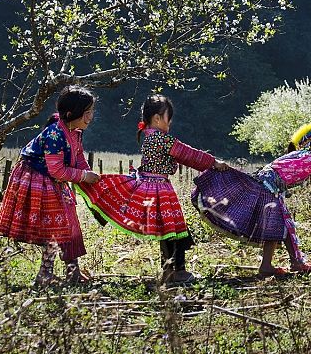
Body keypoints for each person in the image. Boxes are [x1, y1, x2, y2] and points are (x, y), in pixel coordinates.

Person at [78, 94, 227, 284]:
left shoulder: (150, 136)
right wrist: (213, 162)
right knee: (171, 231)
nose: (170, 122)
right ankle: (175, 272)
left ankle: (171, 271)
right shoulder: (161, 139)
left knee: (169, 231)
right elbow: (188, 154)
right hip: (160, 190)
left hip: (154, 186)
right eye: (168, 117)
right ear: (157, 118)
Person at [192, 118, 311, 278]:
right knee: (277, 226)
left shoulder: (305, 159)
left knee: (284, 225)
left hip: (267, 188)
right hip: (268, 189)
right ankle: (273, 265)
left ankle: (293, 263)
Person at [0, 85, 100, 286]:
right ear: (70, 114)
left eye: (91, 111)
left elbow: (78, 157)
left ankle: (72, 272)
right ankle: (45, 275)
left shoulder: (75, 132)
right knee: (54, 228)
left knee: (69, 223)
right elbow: (57, 170)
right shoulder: (55, 134)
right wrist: (84, 176)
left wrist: (90, 176)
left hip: (54, 181)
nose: (90, 117)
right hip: (38, 180)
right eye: (86, 112)